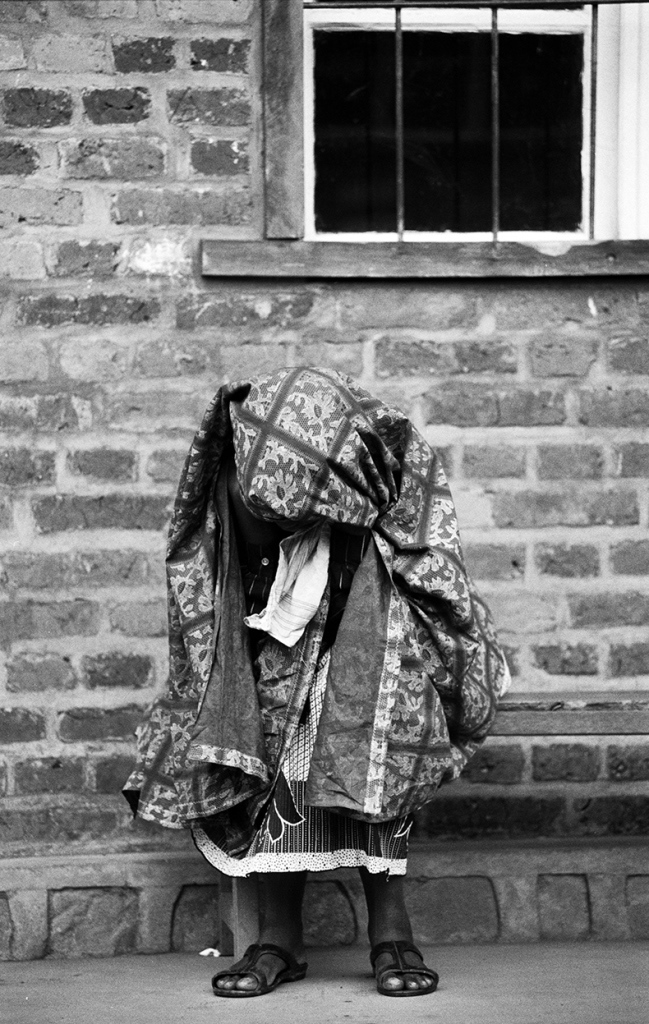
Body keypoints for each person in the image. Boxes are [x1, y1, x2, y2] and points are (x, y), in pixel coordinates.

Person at [123, 366, 509, 998]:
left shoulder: (384, 468)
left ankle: (392, 932)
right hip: (276, 651)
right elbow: (228, 572)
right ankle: (278, 939)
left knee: (378, 753)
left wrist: (359, 547)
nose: (291, 520)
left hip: (374, 648)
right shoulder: (239, 469)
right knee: (279, 772)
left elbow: (430, 570)